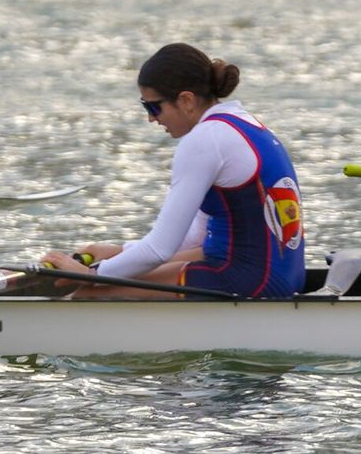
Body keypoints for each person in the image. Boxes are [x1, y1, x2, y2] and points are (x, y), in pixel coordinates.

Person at [40, 43, 305, 299]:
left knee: (89, 292)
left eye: (154, 107)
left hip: (248, 280)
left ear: (186, 100)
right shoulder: (242, 123)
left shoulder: (204, 139)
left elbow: (158, 249)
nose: (151, 118)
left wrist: (90, 274)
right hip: (283, 275)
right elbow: (194, 238)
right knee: (127, 271)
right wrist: (116, 251)